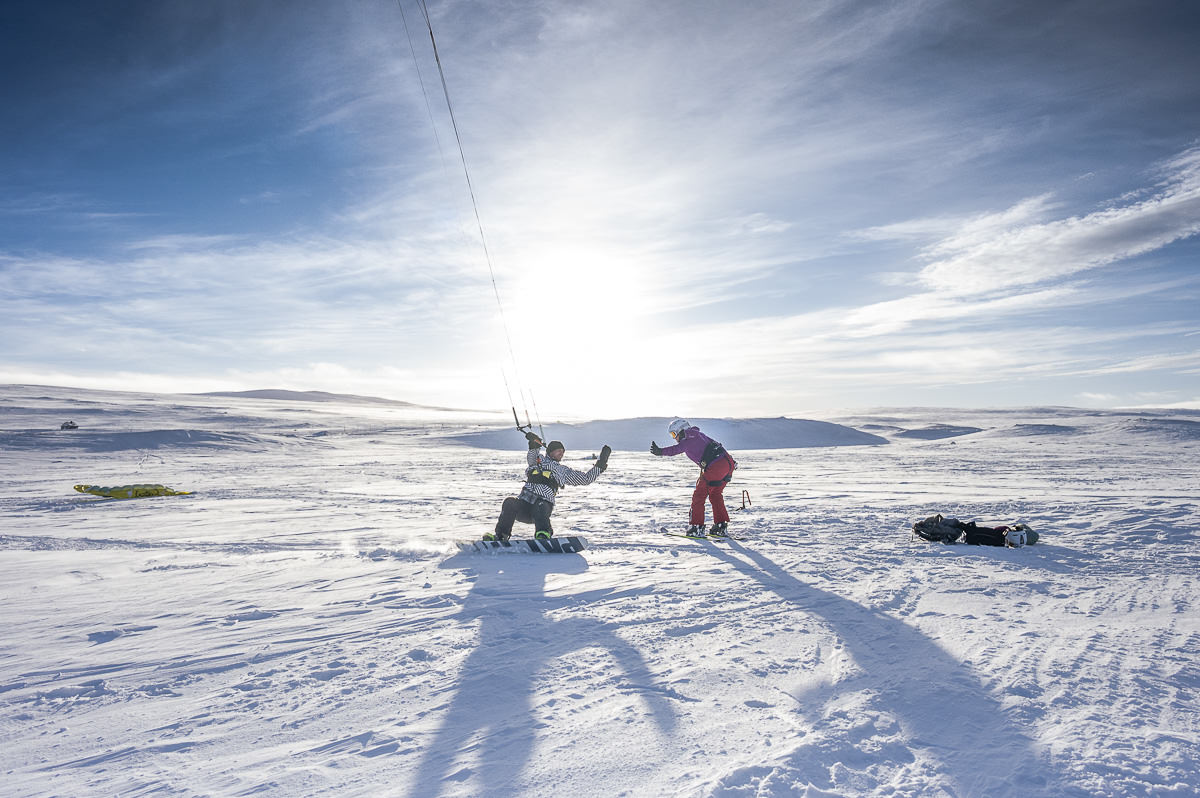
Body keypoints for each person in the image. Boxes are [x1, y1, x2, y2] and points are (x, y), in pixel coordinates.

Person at [484, 431, 612, 541]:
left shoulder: (562, 471)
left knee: (540, 504)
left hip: (541, 510)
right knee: (509, 502)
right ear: (550, 452)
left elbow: (585, 479)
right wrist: (534, 443)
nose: (561, 453)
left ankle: (543, 534)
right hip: (524, 507)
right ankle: (501, 535)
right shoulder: (538, 461)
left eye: (563, 451)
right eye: (558, 450)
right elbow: (532, 456)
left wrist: (601, 464)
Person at [650, 419, 737, 536]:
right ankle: (720, 526)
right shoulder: (699, 435)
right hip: (728, 463)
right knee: (715, 494)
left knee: (699, 496)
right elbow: (716, 444)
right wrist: (730, 463)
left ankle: (696, 527)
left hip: (716, 466)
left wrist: (660, 451)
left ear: (681, 430)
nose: (674, 438)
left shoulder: (687, 441)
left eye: (674, 434)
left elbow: (675, 450)